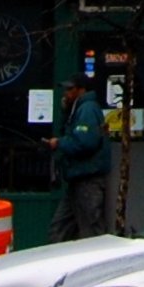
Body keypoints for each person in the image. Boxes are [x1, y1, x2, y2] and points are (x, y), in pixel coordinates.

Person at [49, 74, 112, 239]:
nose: (66, 93)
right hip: (78, 179)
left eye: (70, 89)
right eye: (66, 89)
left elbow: (85, 143)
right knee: (59, 228)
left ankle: (101, 260)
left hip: (88, 179)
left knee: (92, 229)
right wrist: (65, 112)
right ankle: (54, 259)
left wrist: (59, 143)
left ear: (81, 90)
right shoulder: (77, 109)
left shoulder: (87, 109)